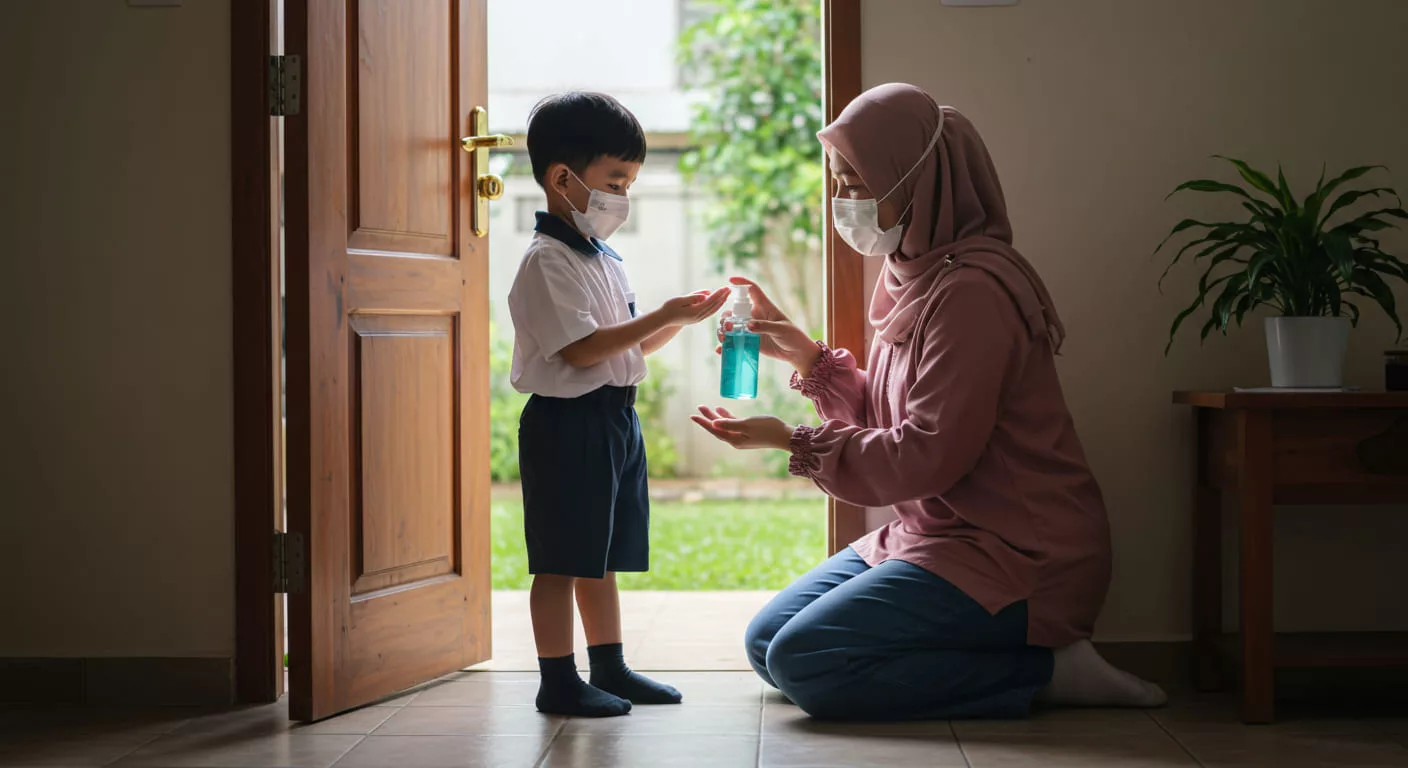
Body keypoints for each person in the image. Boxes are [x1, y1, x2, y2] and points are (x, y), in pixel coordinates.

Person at [692, 83, 1167, 721]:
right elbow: (898, 418)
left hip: (1016, 553)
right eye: (838, 182)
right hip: (936, 534)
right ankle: (1023, 665)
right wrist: (805, 355)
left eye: (859, 182)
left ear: (915, 181)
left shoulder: (972, 291)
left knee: (805, 661)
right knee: (766, 645)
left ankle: (1049, 670)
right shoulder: (913, 272)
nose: (843, 201)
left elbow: (926, 454)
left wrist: (791, 440)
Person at [508, 92, 730, 717]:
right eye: (614, 180)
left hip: (613, 418)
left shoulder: (600, 257)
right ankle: (558, 680)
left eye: (630, 182)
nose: (623, 196)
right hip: (568, 425)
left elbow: (624, 346)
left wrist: (678, 321)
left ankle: (609, 666)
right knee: (560, 560)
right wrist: (659, 316)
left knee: (598, 554)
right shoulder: (547, 261)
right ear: (562, 178)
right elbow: (581, 352)